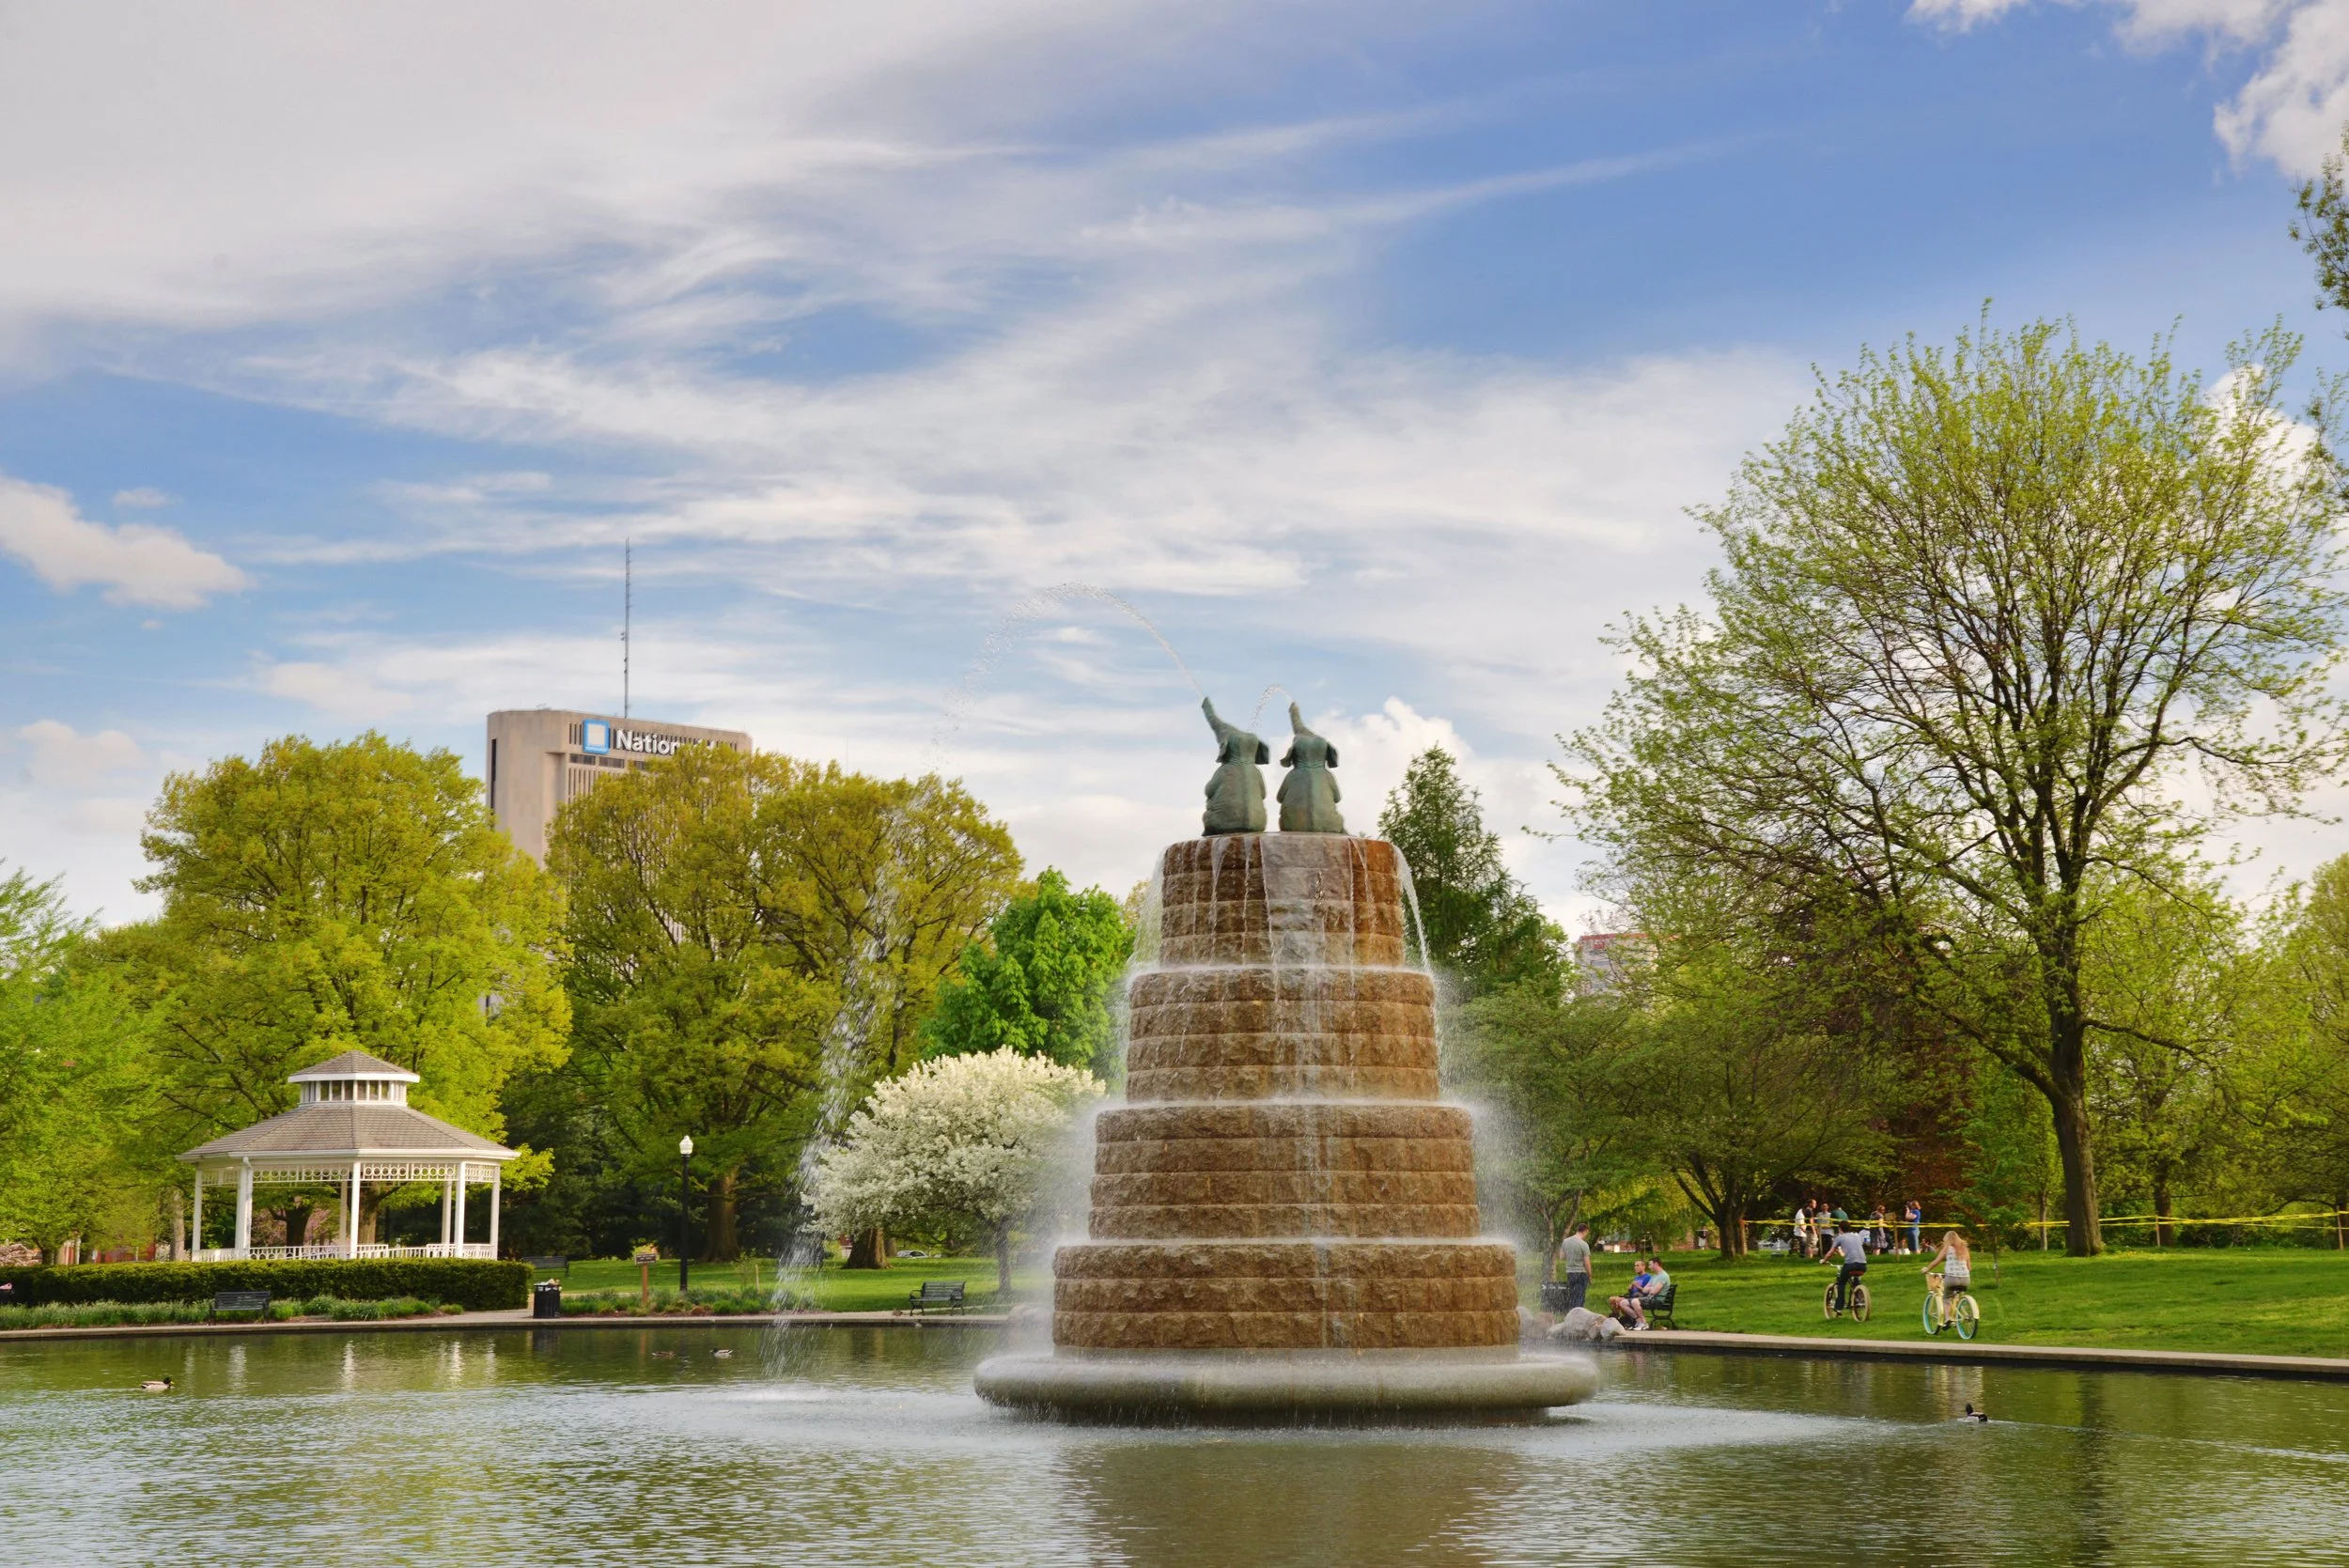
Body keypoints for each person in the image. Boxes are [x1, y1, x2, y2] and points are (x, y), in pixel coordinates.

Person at [1921, 1229, 1972, 1316]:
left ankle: (1948, 1319)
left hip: (1952, 1278)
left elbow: (1936, 1262)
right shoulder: (1965, 1249)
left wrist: (1927, 1269)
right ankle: (1961, 1311)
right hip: (1966, 1279)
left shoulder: (1947, 1248)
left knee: (1946, 1298)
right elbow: (1969, 1267)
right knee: (1956, 1296)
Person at [1612, 1256, 1672, 1330]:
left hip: (1657, 1300)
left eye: (1650, 1265)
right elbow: (1644, 1290)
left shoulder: (1663, 1276)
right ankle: (1638, 1320)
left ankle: (1644, 1323)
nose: (1649, 1267)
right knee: (1623, 1303)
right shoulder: (1654, 1276)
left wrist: (1650, 1289)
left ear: (1656, 1264)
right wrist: (1652, 1288)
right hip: (1649, 1298)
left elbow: (1654, 1292)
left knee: (1635, 1301)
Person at [1825, 1223, 1869, 1313]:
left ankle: (1839, 1307)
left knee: (1841, 1283)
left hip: (1850, 1265)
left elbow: (1830, 1253)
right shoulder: (1856, 1236)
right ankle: (1858, 1299)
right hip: (1863, 1264)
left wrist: (1824, 1260)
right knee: (1855, 1280)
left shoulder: (1839, 1238)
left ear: (1840, 1229)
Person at [1557, 1220, 1594, 1313]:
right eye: (1586, 1233)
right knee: (1580, 1297)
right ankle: (1579, 1316)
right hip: (1581, 1273)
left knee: (1573, 1296)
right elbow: (1587, 1263)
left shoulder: (1566, 1241)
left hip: (1570, 1272)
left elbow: (1561, 1257)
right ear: (1585, 1231)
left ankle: (1572, 1314)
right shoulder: (1583, 1244)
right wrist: (1590, 1275)